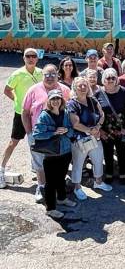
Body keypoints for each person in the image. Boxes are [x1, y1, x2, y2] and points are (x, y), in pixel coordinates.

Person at [22, 64, 71, 202]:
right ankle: (42, 186)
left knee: (58, 163)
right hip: (40, 135)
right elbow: (25, 112)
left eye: (53, 74)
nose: (49, 77)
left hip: (61, 137)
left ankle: (56, 188)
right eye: (46, 75)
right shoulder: (33, 90)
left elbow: (72, 111)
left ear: (58, 75)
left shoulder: (65, 90)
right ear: (42, 75)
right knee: (39, 162)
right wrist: (29, 132)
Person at [0, 48, 42, 190]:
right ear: (24, 58)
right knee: (14, 142)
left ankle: (36, 168)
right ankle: (1, 169)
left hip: (36, 114)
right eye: (28, 56)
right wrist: (18, 102)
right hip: (21, 114)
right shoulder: (17, 74)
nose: (31, 58)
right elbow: (7, 90)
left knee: (38, 140)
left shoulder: (41, 73)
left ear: (37, 58)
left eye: (33, 56)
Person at [32, 89, 76, 219]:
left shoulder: (66, 113)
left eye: (58, 98)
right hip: (51, 154)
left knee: (61, 177)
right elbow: (37, 134)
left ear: (61, 100)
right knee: (50, 182)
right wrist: (54, 132)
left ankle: (62, 198)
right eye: (53, 99)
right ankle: (50, 208)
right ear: (49, 101)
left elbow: (72, 131)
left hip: (65, 151)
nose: (56, 101)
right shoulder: (44, 115)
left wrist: (67, 130)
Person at [68, 77, 111, 201]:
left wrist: (98, 127)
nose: (82, 88)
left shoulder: (92, 100)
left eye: (85, 85)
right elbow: (75, 123)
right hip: (80, 139)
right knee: (78, 164)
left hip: (95, 136)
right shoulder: (72, 104)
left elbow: (102, 114)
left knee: (98, 159)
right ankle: (77, 187)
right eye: (80, 85)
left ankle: (98, 182)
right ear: (75, 88)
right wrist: (90, 130)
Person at [96, 68, 125, 185]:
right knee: (107, 152)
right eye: (108, 78)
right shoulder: (98, 93)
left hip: (120, 129)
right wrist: (100, 130)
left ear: (116, 79)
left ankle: (122, 171)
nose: (111, 80)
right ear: (103, 80)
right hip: (106, 129)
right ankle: (109, 172)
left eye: (113, 78)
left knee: (122, 151)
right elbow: (95, 113)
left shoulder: (122, 91)